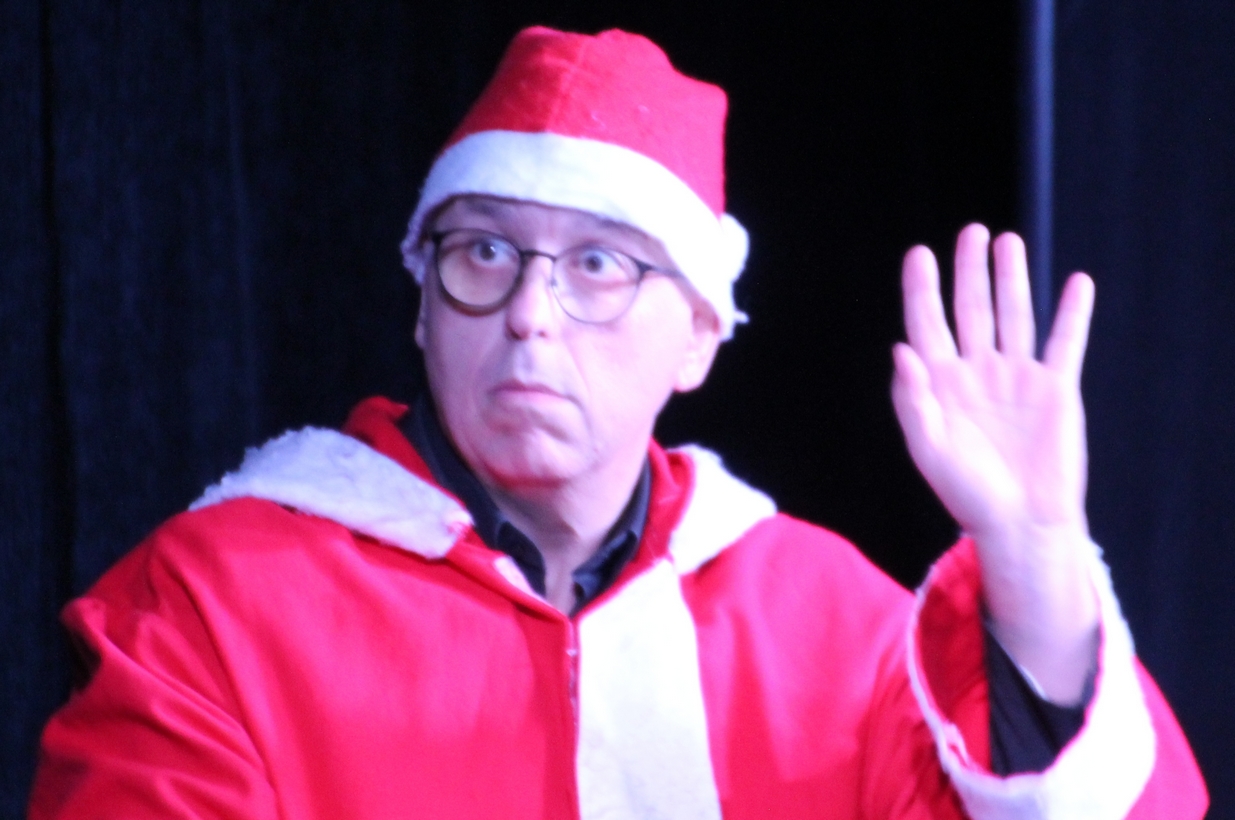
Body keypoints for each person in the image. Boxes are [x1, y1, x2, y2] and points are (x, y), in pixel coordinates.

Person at [29, 26, 1206, 820]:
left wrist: (1034, 558)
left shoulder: (828, 627)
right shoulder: (215, 604)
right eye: (482, 252)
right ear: (423, 302)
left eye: (599, 264)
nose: (530, 311)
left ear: (697, 337)